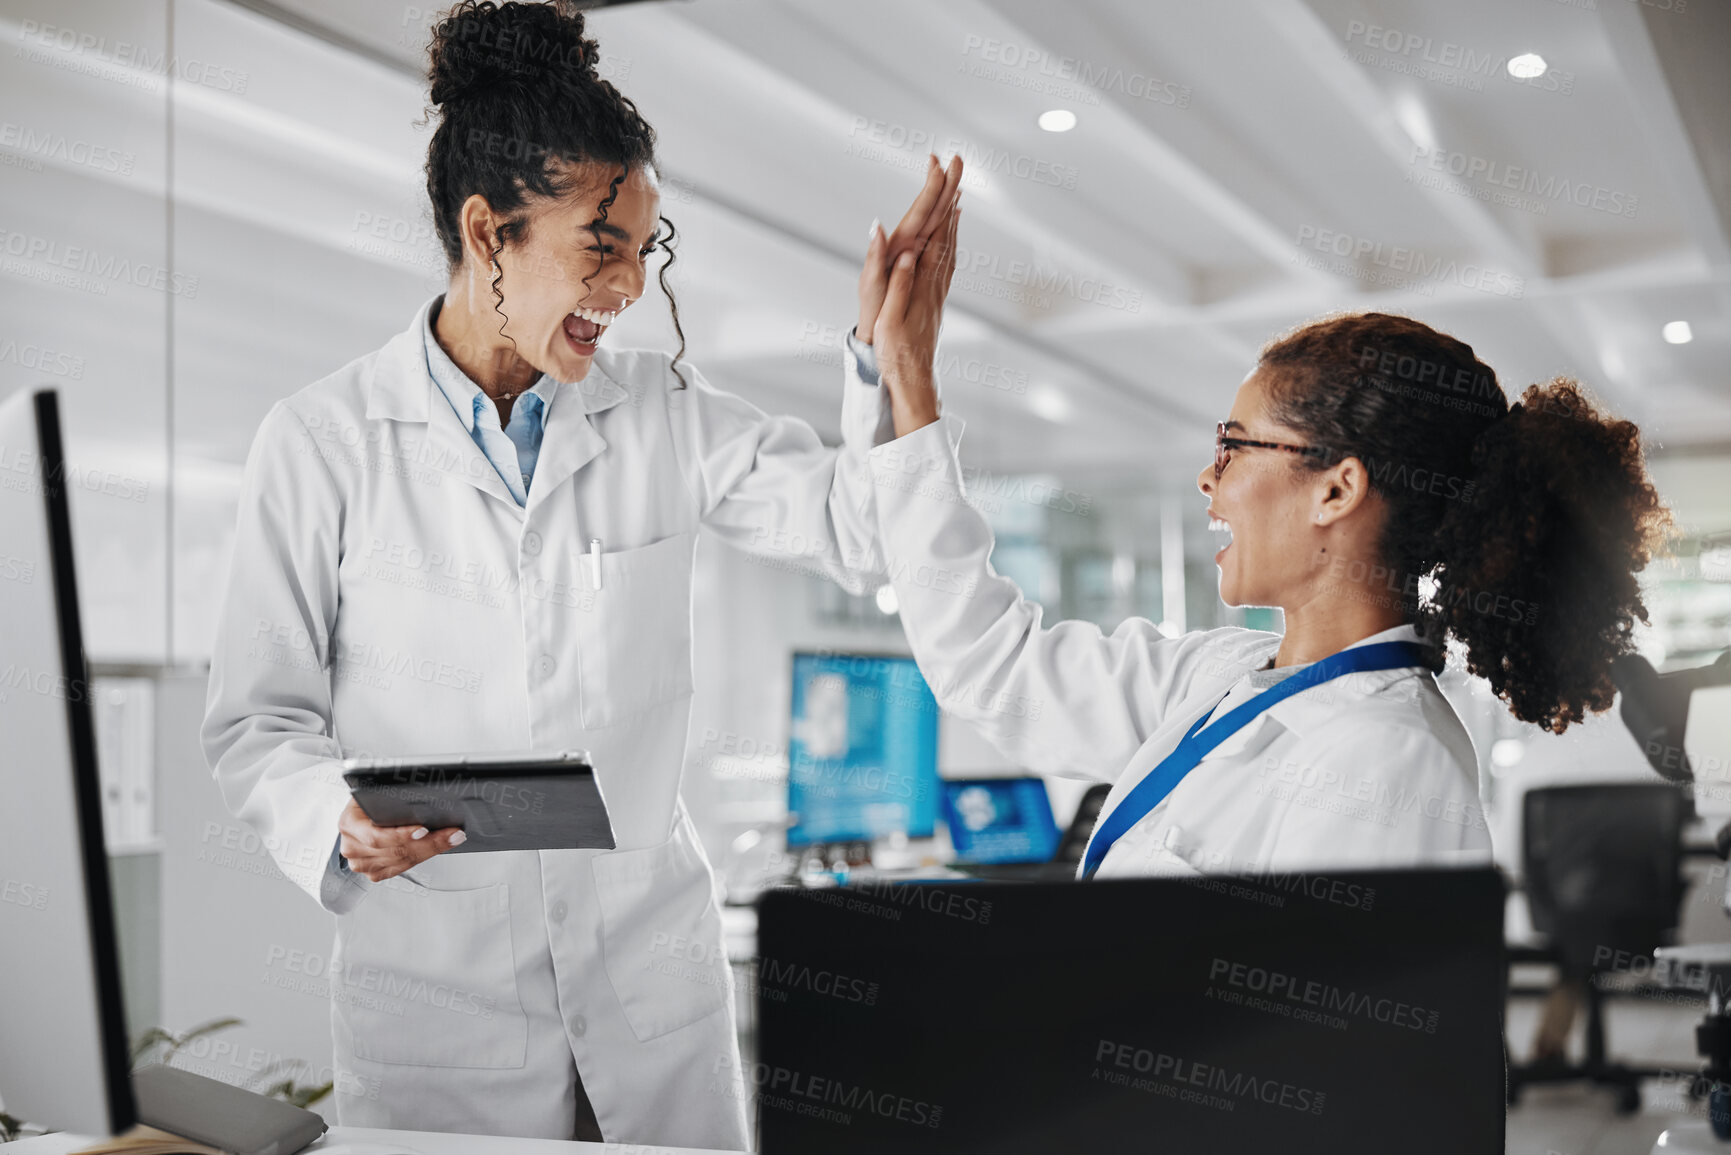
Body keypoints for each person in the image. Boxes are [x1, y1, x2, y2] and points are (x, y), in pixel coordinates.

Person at [200, 2, 959, 1147]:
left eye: (644, 251)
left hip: (650, 995)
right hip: (437, 1009)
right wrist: (333, 821)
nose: (633, 289)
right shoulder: (323, 439)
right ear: (488, 233)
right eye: (601, 247)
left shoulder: (663, 413)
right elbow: (257, 719)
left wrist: (891, 358)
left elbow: (863, 531)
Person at [866, 207, 1674, 880]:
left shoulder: (1387, 763)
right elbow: (993, 669)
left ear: (1336, 488)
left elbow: (1317, 1062)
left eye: (1233, 444)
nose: (1206, 478)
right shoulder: (1219, 677)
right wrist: (907, 383)